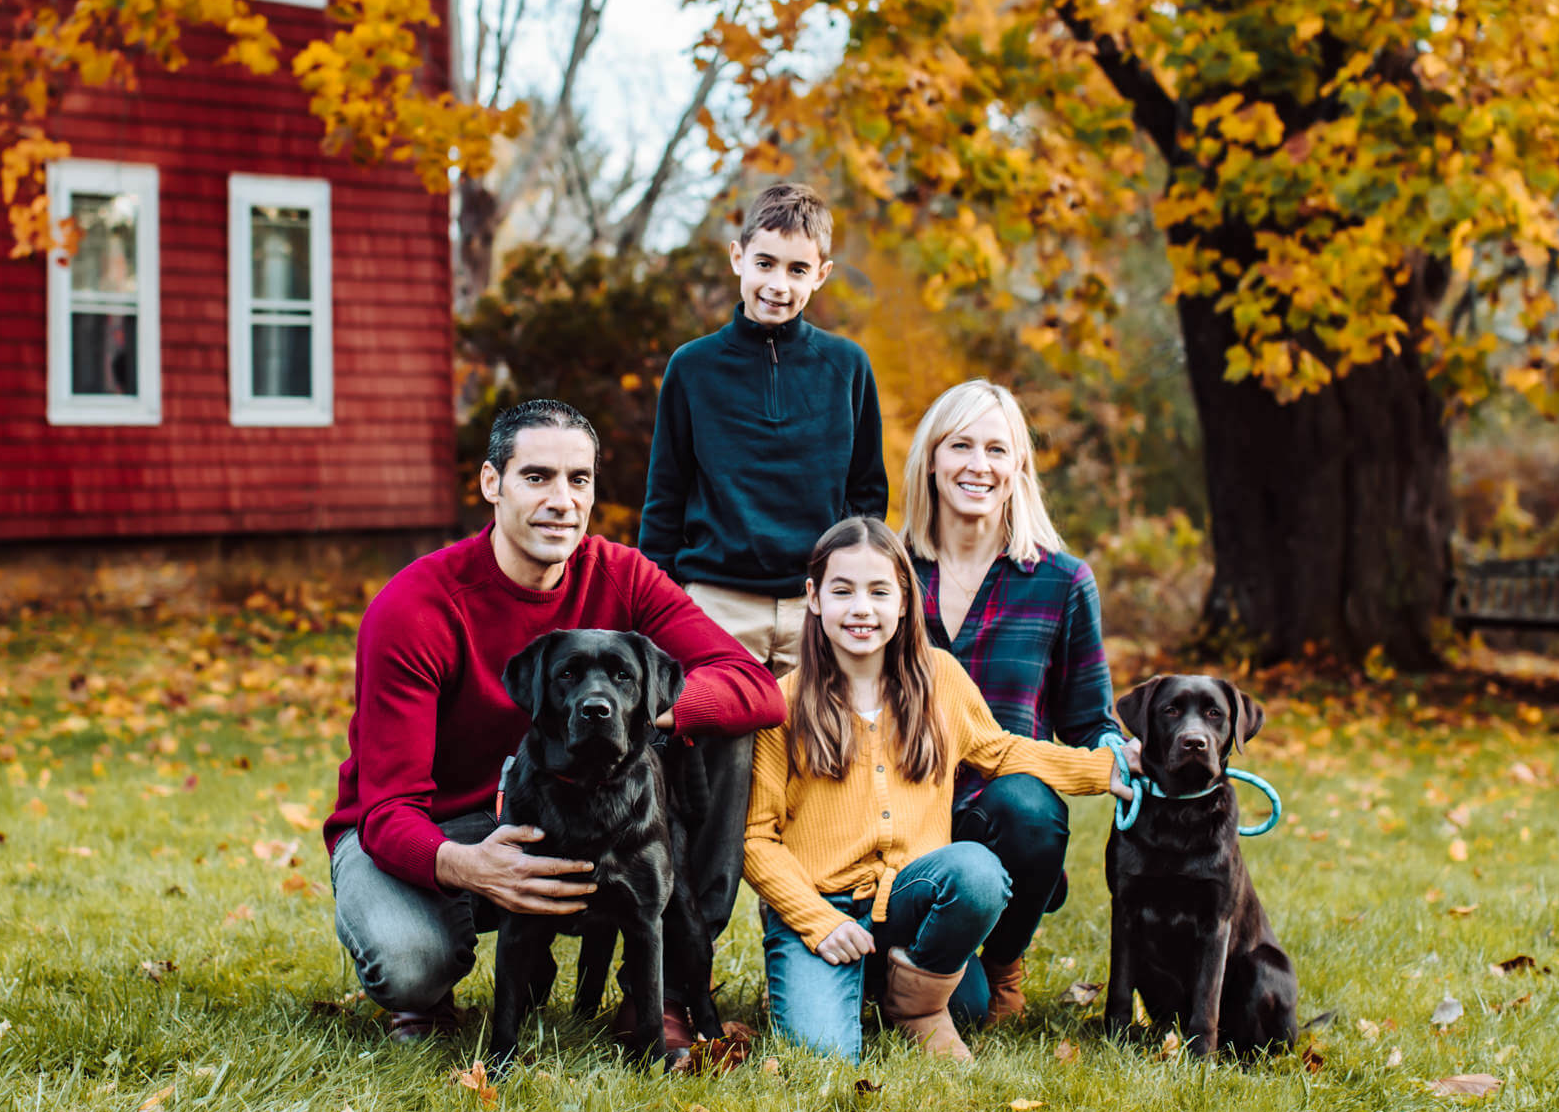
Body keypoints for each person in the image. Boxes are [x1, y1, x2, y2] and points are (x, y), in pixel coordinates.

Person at [323, 399, 785, 1045]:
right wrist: (468, 864)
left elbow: (755, 687)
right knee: (410, 961)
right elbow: (387, 809)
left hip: (575, 809)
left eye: (579, 480)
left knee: (725, 726)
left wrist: (638, 706)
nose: (562, 500)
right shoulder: (416, 608)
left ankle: (666, 990)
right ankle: (426, 996)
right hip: (438, 828)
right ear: (493, 484)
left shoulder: (621, 577)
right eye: (536, 477)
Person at [742, 518, 1141, 1063]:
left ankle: (914, 1003)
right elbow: (756, 839)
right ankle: (836, 974)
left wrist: (1104, 768)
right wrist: (817, 921)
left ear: (905, 600)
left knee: (976, 882)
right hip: (822, 904)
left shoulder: (940, 679)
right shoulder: (781, 704)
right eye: (843, 591)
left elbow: (1002, 751)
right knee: (822, 1055)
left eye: (880, 591)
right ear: (813, 597)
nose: (862, 608)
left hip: (908, 898)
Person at [900, 380, 1122, 1025]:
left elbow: (1087, 719)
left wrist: (1119, 758)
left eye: (997, 448)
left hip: (1000, 815)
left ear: (1018, 464)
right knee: (946, 1009)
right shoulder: (889, 571)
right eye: (960, 445)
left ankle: (1003, 961)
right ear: (932, 459)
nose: (978, 464)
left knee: (1029, 803)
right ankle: (925, 961)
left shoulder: (1061, 581)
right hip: (899, 815)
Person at [639, 181, 889, 676]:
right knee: (719, 753)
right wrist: (658, 606)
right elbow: (665, 497)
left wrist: (848, 589)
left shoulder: (847, 367)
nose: (778, 284)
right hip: (716, 606)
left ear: (821, 274)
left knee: (819, 750)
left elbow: (867, 496)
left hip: (815, 606)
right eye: (765, 264)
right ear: (738, 258)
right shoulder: (692, 368)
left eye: (798, 270)